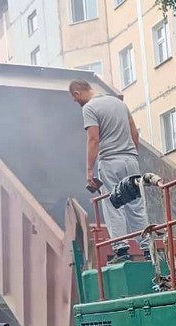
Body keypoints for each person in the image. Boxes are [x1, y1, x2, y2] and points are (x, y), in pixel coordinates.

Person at [68, 79, 149, 259]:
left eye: (75, 100)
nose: (77, 103)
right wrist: (131, 154)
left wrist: (89, 170)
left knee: (114, 204)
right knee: (136, 205)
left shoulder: (89, 108)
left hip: (110, 162)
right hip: (131, 161)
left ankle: (121, 249)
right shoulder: (119, 103)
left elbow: (93, 139)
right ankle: (147, 248)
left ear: (77, 94)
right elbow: (134, 132)